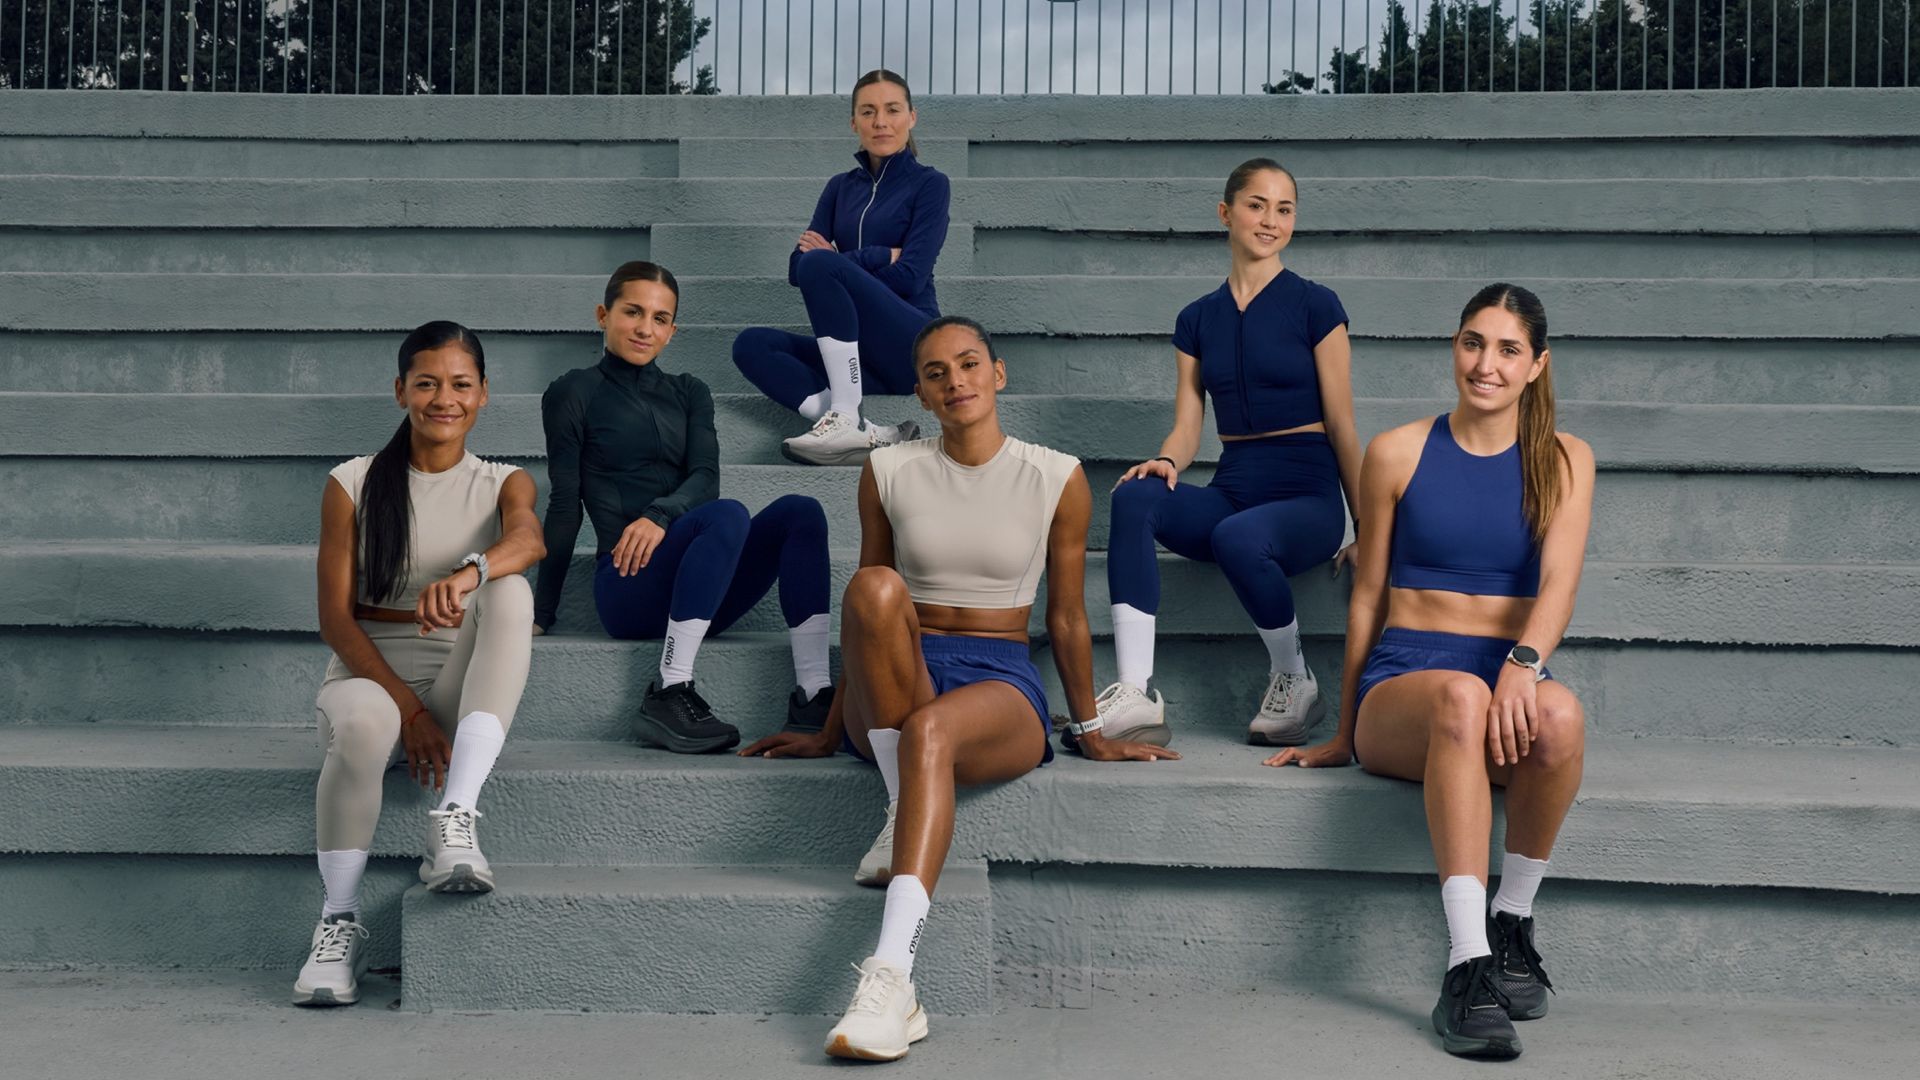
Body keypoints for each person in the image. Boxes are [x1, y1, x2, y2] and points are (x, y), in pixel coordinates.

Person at [739, 316, 1179, 1062]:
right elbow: (867, 612)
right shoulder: (888, 470)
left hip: (998, 678)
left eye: (969, 364)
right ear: (920, 390)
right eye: (936, 373)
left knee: (931, 733)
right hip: (904, 667)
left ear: (997, 374)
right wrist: (828, 725)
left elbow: (1067, 617)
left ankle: (892, 978)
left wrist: (1088, 730)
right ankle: (899, 800)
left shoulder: (1056, 474)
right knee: (877, 587)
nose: (956, 381)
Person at [1266, 284, 1595, 1061]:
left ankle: (1511, 927)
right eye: (1473, 342)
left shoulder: (1565, 459)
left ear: (1538, 365)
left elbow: (1558, 588)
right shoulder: (1398, 451)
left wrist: (1523, 666)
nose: (1487, 363)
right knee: (1459, 693)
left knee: (1566, 717)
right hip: (1410, 684)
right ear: (1454, 346)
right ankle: (1465, 964)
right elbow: (1368, 599)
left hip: (1504, 678)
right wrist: (1345, 729)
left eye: (1509, 349)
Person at [298, 322, 543, 1006]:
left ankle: (455, 817)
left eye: (461, 384)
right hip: (368, 680)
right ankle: (337, 923)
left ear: (485, 395)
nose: (445, 398)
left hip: (457, 679)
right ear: (401, 389)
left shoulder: (503, 482)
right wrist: (408, 710)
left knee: (512, 590)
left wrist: (472, 573)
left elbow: (529, 538)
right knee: (367, 725)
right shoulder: (350, 482)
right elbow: (334, 620)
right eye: (428, 382)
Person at [1100, 158, 1362, 747]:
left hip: (1308, 497)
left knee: (1238, 536)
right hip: (1236, 484)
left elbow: (1343, 423)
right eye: (1256, 204)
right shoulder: (1196, 319)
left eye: (1285, 209)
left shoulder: (1316, 306)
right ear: (1226, 212)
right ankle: (1136, 693)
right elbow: (1188, 424)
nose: (1271, 220)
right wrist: (1167, 460)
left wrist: (1368, 527)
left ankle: (1296, 680)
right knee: (1136, 496)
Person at [534, 261, 835, 754]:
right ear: (603, 314)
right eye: (632, 312)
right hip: (628, 586)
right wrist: (543, 609)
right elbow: (565, 502)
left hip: (698, 585)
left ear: (672, 332)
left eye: (659, 318)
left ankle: (813, 694)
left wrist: (660, 515)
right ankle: (670, 689)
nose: (644, 328)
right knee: (729, 514)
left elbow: (705, 479)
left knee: (801, 512)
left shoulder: (690, 392)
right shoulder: (574, 391)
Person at [731, 68, 950, 466]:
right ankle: (861, 429)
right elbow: (797, 268)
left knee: (821, 266)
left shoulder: (930, 185)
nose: (880, 121)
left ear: (911, 117)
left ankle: (845, 415)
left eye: (892, 110)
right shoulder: (839, 188)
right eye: (868, 112)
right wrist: (878, 255)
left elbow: (910, 276)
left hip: (910, 343)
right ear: (854, 123)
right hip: (854, 362)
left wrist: (835, 264)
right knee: (751, 345)